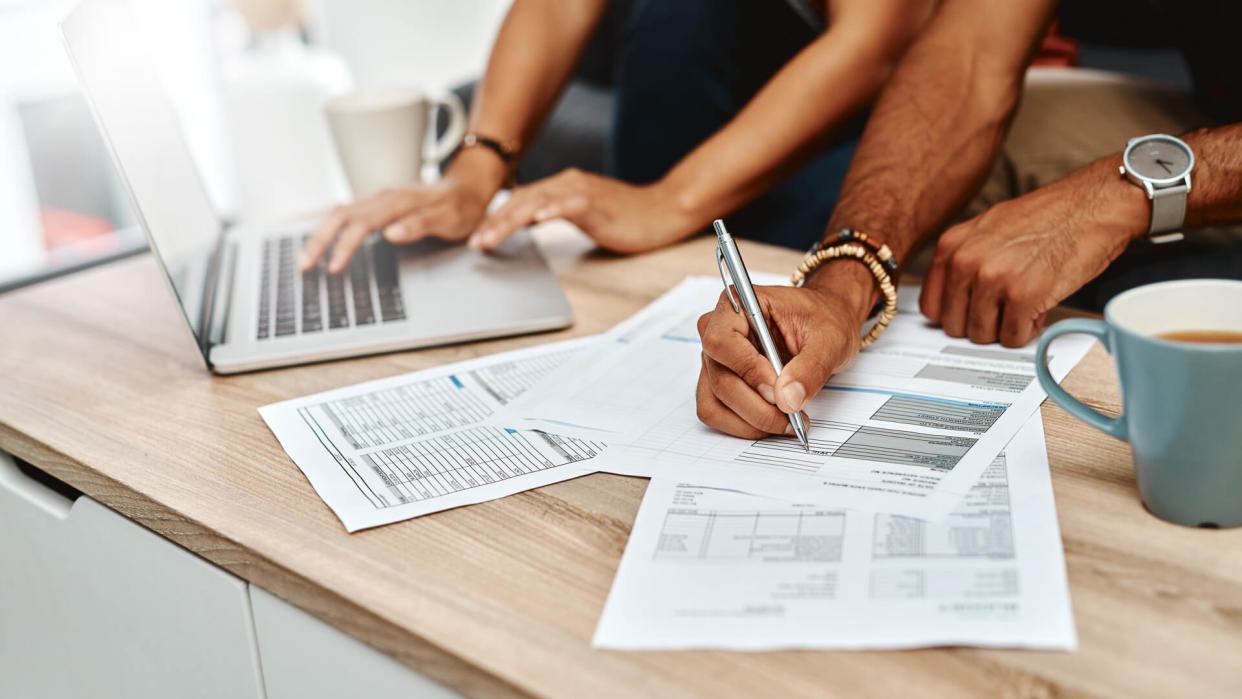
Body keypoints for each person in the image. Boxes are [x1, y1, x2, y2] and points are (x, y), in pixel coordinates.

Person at [695, 0, 1242, 440]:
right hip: (1213, 112)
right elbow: (969, 56)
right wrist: (845, 279)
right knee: (944, 193)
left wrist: (1120, 193)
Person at [299, 0, 933, 274]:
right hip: (676, 95)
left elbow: (873, 41)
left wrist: (666, 202)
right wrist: (476, 170)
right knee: (473, 102)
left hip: (834, 119)